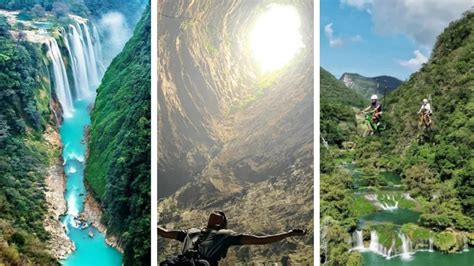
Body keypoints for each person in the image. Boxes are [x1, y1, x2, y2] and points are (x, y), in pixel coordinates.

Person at [158, 211, 306, 265]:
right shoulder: (191, 232)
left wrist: (288, 233)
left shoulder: (226, 236)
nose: (217, 213)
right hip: (180, 262)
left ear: (221, 223)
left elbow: (260, 240)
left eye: (221, 215)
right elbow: (164, 233)